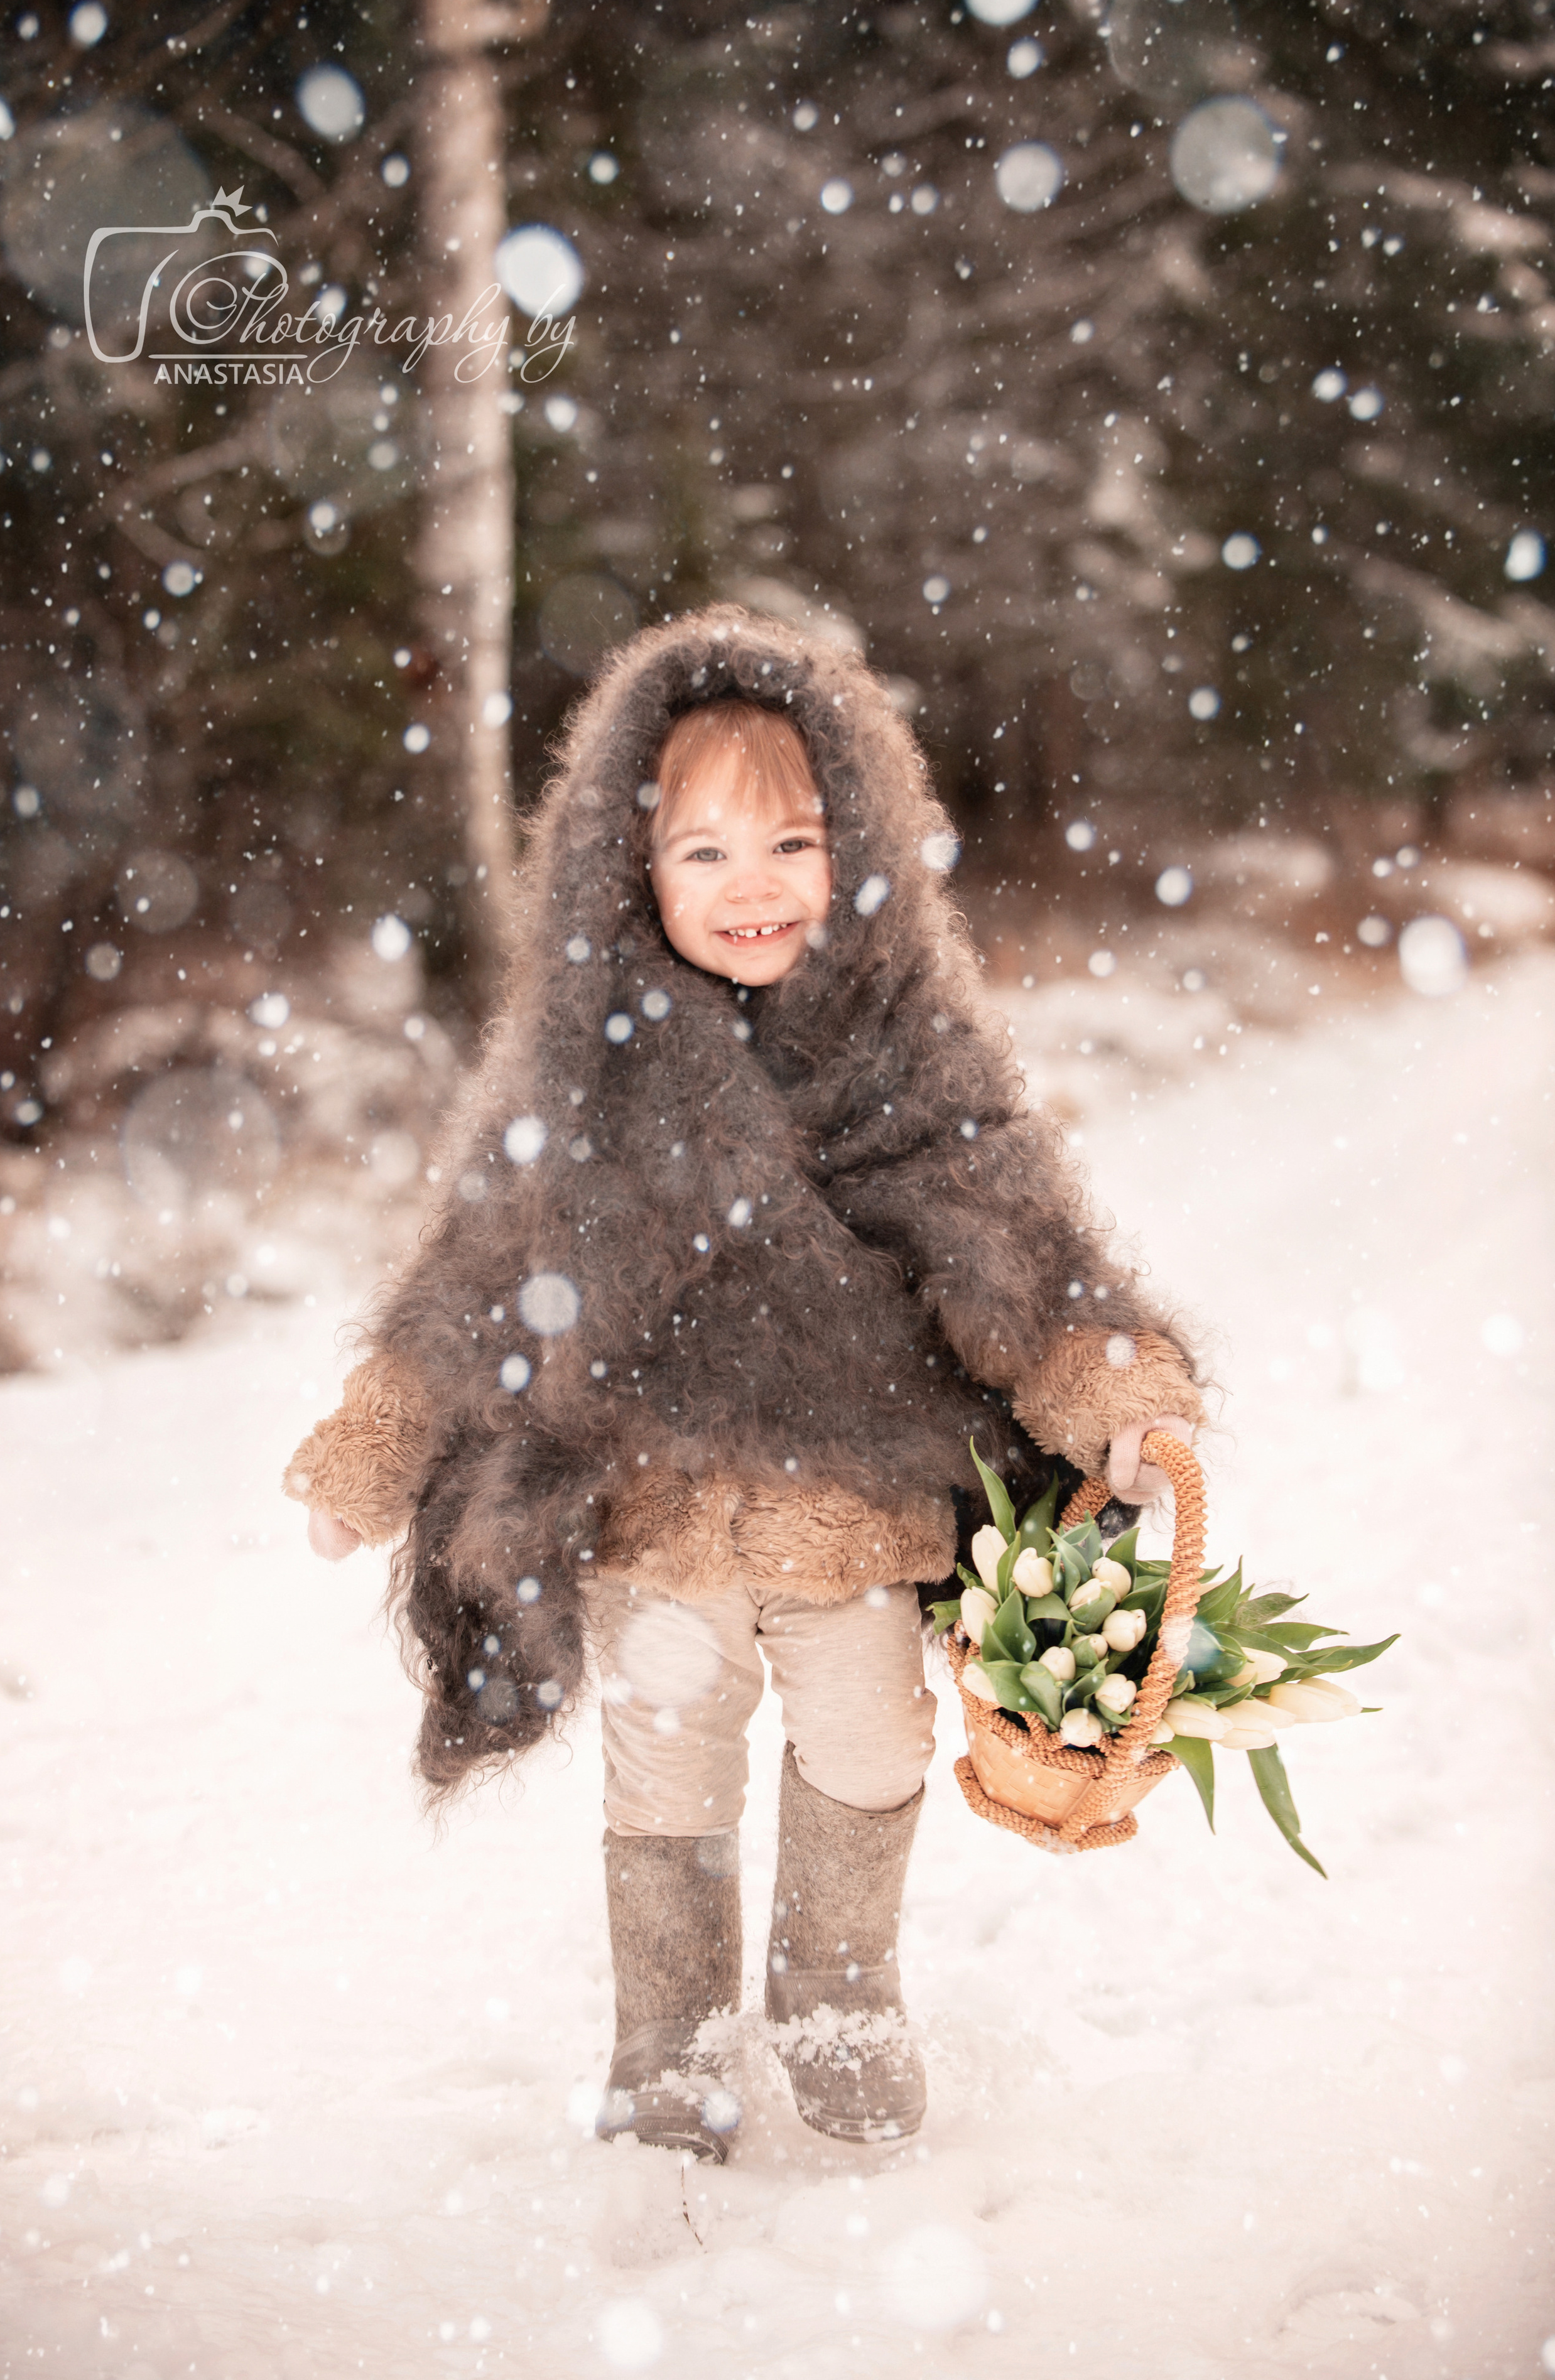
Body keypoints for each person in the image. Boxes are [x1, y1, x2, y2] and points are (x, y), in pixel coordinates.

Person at [284, 608, 1202, 2160]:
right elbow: (479, 1271)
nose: (752, 887)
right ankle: (673, 2033)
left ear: (860, 846)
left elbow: (1015, 1246)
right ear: (626, 871)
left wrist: (1106, 1393)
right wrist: (381, 1436)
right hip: (653, 1504)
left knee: (866, 1740)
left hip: (851, 1507)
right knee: (669, 1755)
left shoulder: (909, 1047)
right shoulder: (581, 1067)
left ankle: (837, 1987)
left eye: (791, 842)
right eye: (700, 853)